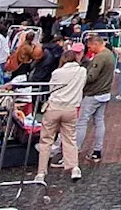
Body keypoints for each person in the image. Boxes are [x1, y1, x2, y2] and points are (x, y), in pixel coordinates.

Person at [33, 49, 87, 184]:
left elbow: (52, 89)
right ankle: (74, 167)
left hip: (54, 107)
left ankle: (41, 172)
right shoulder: (82, 71)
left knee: (46, 140)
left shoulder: (57, 73)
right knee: (70, 139)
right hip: (71, 108)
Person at [78, 34, 116, 162]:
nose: (89, 49)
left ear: (95, 44)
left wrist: (80, 78)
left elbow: (91, 77)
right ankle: (97, 150)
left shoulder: (100, 57)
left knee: (82, 121)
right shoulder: (110, 55)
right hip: (104, 93)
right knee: (99, 121)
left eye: (90, 46)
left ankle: (75, 149)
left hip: (93, 93)